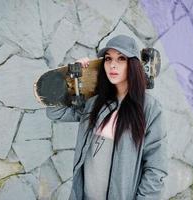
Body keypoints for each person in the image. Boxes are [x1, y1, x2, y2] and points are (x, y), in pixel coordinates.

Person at [46, 35, 167, 200]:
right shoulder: (95, 102)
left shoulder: (148, 108)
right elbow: (55, 113)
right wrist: (70, 76)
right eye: (108, 59)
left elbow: (156, 168)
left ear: (132, 64)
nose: (113, 65)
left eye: (121, 59)